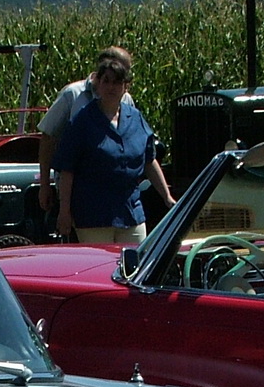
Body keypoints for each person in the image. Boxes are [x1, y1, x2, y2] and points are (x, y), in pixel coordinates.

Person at [51, 53, 174, 245]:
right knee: (100, 271)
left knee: (135, 269)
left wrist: (167, 197)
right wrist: (64, 212)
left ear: (126, 86)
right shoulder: (82, 121)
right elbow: (67, 170)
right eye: (106, 81)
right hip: (93, 216)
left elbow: (149, 160)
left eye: (117, 82)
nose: (111, 87)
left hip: (130, 212)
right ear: (98, 83)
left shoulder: (135, 118)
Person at [36, 46, 134, 213]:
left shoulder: (125, 99)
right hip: (76, 190)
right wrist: (44, 185)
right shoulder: (73, 95)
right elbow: (48, 138)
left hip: (114, 191)